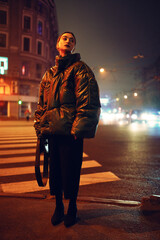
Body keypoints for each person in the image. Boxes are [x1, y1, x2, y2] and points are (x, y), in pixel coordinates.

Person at [34, 32, 101, 227]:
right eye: (65, 38)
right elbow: (42, 104)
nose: (68, 40)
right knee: (54, 171)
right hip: (52, 132)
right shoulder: (49, 73)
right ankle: (58, 207)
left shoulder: (80, 69)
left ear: (73, 46)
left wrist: (77, 129)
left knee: (71, 171)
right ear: (57, 44)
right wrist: (40, 128)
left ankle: (72, 207)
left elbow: (87, 101)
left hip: (70, 133)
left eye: (72, 39)